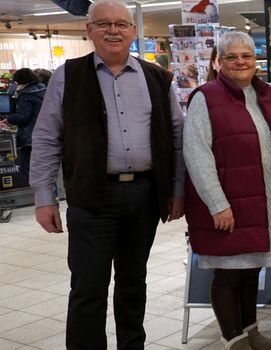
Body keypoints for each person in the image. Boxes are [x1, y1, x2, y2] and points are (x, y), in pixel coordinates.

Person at [28, 0, 185, 348]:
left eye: (120, 24)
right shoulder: (67, 76)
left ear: (132, 31)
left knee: (134, 283)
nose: (113, 30)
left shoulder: (157, 78)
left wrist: (177, 191)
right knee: (88, 287)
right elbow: (45, 138)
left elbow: (176, 138)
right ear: (89, 31)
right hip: (91, 197)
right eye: (103, 24)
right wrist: (43, 198)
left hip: (144, 196)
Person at [183, 31, 271, 350]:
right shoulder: (206, 97)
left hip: (265, 203)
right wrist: (217, 204)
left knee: (250, 272)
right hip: (229, 204)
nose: (240, 62)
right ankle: (233, 339)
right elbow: (196, 153)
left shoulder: (270, 95)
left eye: (246, 56)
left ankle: (252, 333)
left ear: (256, 61)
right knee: (230, 274)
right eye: (231, 57)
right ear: (219, 62)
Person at [6, 68, 46, 183]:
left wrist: (9, 118)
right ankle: (51, 198)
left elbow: (23, 116)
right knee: (45, 171)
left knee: (28, 169)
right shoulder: (43, 89)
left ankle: (41, 198)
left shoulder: (26, 95)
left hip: (29, 137)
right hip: (45, 135)